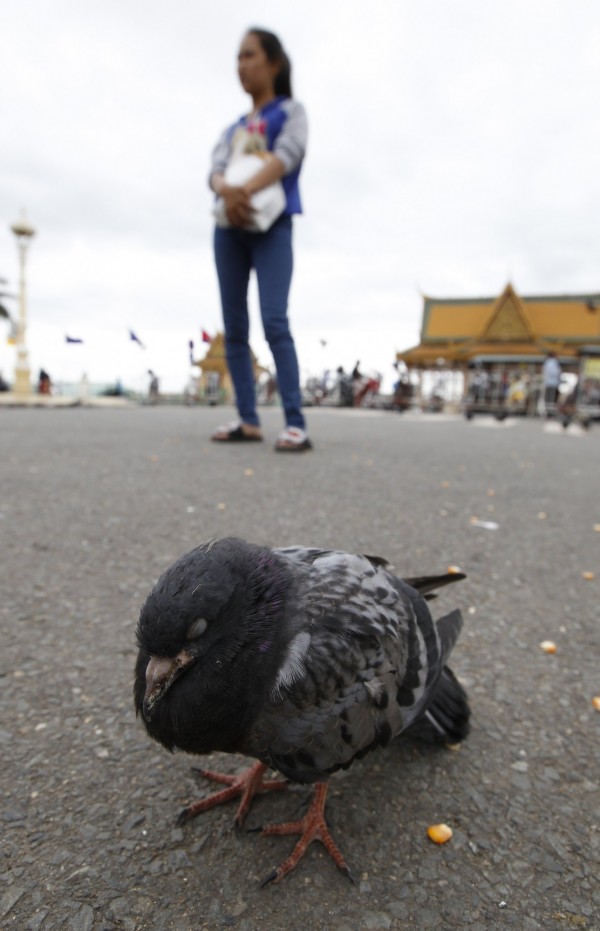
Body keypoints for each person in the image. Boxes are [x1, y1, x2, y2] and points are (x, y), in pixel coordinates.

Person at [209, 28, 311, 452]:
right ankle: (248, 419)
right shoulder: (233, 127)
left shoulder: (290, 111)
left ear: (274, 63)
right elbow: (214, 170)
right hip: (228, 227)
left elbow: (289, 155)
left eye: (249, 56)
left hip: (272, 225)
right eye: (237, 58)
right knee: (235, 326)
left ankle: (295, 421)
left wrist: (242, 191)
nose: (241, 65)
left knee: (274, 320)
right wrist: (226, 192)